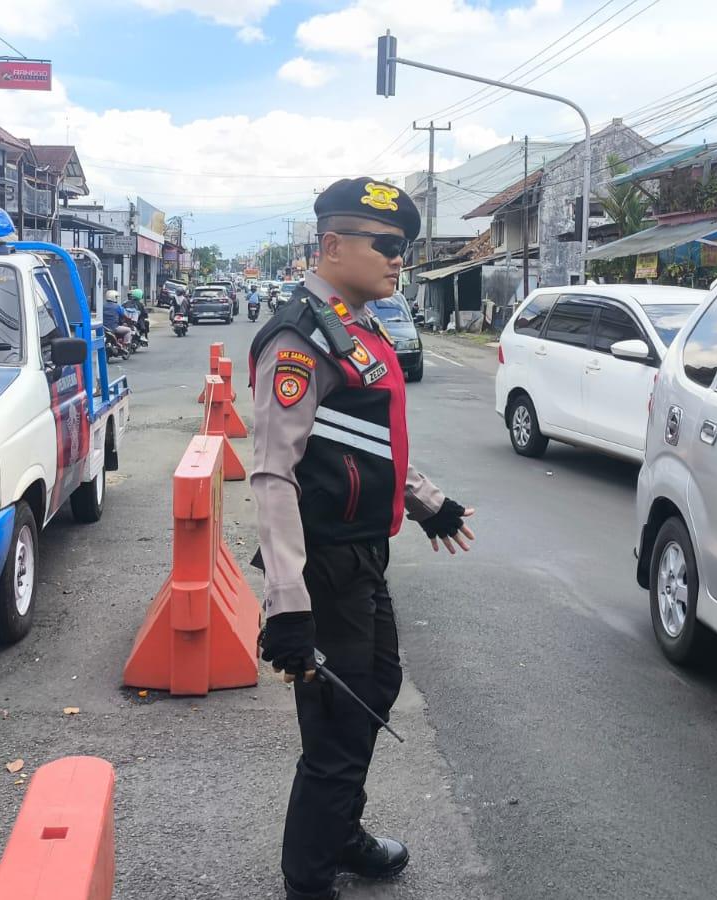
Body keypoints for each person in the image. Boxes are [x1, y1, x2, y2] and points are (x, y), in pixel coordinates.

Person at [249, 178, 476, 900]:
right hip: (323, 563)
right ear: (332, 245)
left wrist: (425, 501)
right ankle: (308, 879)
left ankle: (338, 832)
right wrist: (286, 604)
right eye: (386, 246)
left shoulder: (359, 325)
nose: (398, 261)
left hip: (364, 556)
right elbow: (273, 472)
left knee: (373, 693)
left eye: (404, 250)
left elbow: (369, 443)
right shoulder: (299, 337)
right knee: (339, 724)